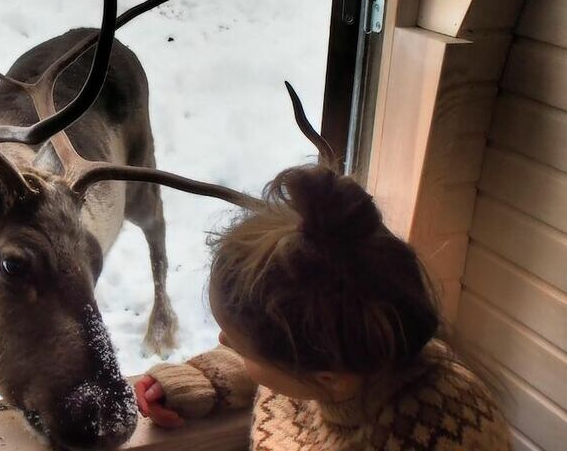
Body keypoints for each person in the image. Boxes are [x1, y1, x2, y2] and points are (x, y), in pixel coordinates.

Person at [134, 158, 511, 450]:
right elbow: (271, 359)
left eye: (240, 345)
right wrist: (197, 381)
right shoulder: (340, 347)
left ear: (325, 377)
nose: (223, 340)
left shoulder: (441, 434)